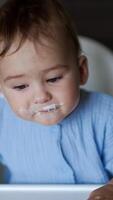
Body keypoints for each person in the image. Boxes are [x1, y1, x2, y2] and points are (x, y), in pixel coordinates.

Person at [0, 0, 113, 199]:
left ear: (81, 71)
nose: (41, 96)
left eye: (53, 79)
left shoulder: (106, 115)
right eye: (20, 86)